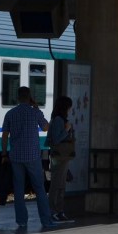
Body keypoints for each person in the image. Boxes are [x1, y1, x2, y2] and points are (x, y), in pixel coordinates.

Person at [1, 86, 58, 231]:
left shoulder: (10, 114)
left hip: (16, 157)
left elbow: (5, 135)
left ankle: (21, 221)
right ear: (29, 97)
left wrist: (4, 154)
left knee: (18, 190)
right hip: (32, 156)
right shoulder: (34, 113)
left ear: (17, 97)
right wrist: (37, 108)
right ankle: (46, 220)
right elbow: (46, 127)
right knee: (39, 188)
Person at [45, 95, 76, 223]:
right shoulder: (58, 120)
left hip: (61, 156)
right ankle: (54, 211)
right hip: (60, 155)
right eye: (69, 107)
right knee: (57, 184)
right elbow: (57, 139)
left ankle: (58, 210)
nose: (69, 110)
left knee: (60, 183)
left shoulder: (56, 119)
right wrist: (66, 130)